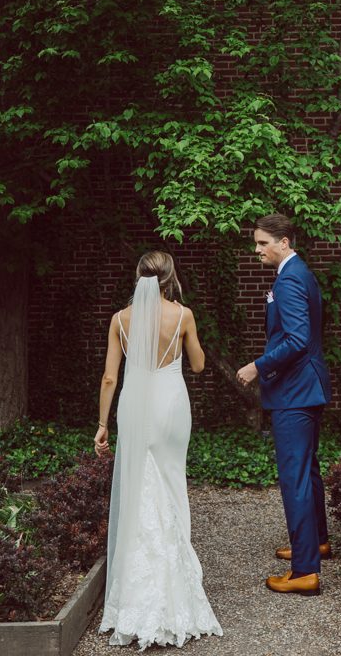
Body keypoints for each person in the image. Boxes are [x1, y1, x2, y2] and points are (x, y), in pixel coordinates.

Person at [94, 251, 223, 649]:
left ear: (139, 277)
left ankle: (136, 589)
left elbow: (110, 377)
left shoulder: (120, 320)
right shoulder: (182, 316)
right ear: (170, 278)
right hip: (170, 404)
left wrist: (102, 426)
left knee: (138, 488)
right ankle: (174, 581)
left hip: (134, 406)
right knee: (170, 484)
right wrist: (185, 344)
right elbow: (199, 365)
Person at [236, 214, 331, 597]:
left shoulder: (290, 279)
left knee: (294, 477)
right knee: (307, 470)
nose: (256, 249)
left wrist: (256, 366)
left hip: (295, 392)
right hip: (307, 387)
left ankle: (305, 571)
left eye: (262, 243)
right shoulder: (300, 272)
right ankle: (317, 542)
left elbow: (296, 339)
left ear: (284, 242)